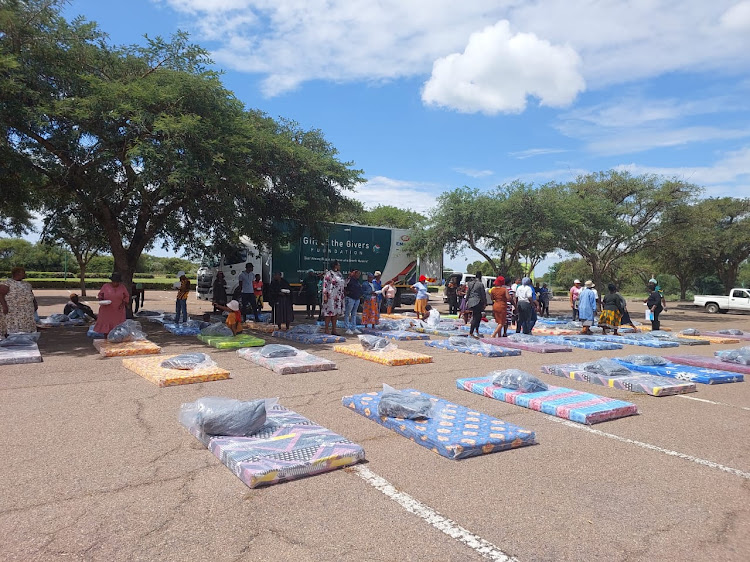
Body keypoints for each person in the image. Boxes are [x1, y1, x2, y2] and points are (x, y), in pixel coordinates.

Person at [0, 267, 37, 336]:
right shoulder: (7, 283)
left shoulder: (27, 284)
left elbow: (31, 294)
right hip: (12, 309)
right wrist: (4, 306)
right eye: (23, 273)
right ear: (17, 273)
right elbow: (1, 295)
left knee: (25, 323)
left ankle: (24, 337)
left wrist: (35, 303)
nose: (25, 274)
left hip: (26, 309)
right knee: (13, 324)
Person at [321, 261, 345, 335]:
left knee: (335, 313)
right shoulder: (329, 274)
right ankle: (326, 329)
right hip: (330, 296)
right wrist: (325, 295)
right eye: (338, 265)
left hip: (338, 296)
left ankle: (334, 330)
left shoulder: (339, 274)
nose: (340, 266)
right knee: (329, 313)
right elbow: (325, 285)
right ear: (335, 266)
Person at [466, 271, 487, 338]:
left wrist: (466, 301)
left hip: (471, 301)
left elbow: (468, 293)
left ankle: (475, 331)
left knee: (477, 317)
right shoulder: (480, 284)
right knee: (476, 317)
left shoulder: (470, 283)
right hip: (477, 302)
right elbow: (483, 295)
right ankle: (471, 332)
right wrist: (485, 303)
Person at [344, 269, 362, 335]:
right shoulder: (349, 280)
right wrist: (346, 293)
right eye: (357, 274)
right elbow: (344, 286)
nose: (358, 275)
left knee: (354, 314)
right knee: (347, 313)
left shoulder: (357, 281)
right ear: (354, 274)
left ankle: (353, 328)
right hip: (350, 298)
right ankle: (347, 328)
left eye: (359, 274)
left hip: (357, 298)